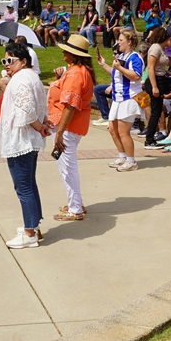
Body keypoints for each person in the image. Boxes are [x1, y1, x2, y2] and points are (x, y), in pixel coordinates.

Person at [0, 41, 51, 248]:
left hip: (21, 140)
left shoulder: (20, 79)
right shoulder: (32, 77)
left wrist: (39, 126)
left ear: (24, 61)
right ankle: (33, 226)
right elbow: (39, 106)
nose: (7, 65)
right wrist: (41, 124)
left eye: (10, 60)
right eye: (4, 61)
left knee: (23, 186)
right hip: (27, 139)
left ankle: (29, 233)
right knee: (29, 183)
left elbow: (27, 111)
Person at [47, 35, 95, 222]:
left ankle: (75, 209)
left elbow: (70, 106)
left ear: (74, 55)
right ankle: (76, 203)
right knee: (66, 167)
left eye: (66, 50)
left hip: (67, 127)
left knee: (67, 168)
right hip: (71, 127)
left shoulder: (75, 74)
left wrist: (59, 132)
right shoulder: (79, 71)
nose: (63, 52)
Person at [96, 29, 144, 172]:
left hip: (129, 98)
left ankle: (131, 161)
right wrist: (104, 64)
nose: (118, 43)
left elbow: (136, 76)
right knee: (112, 129)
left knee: (123, 132)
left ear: (129, 42)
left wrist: (119, 67)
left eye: (121, 40)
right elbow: (116, 74)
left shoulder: (135, 57)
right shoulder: (122, 56)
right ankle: (122, 157)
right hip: (118, 98)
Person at [141, 26, 171, 150]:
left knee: (157, 111)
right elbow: (151, 68)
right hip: (155, 82)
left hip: (161, 79)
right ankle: (149, 140)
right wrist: (154, 87)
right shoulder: (155, 48)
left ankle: (151, 138)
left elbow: (160, 67)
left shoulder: (162, 48)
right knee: (156, 112)